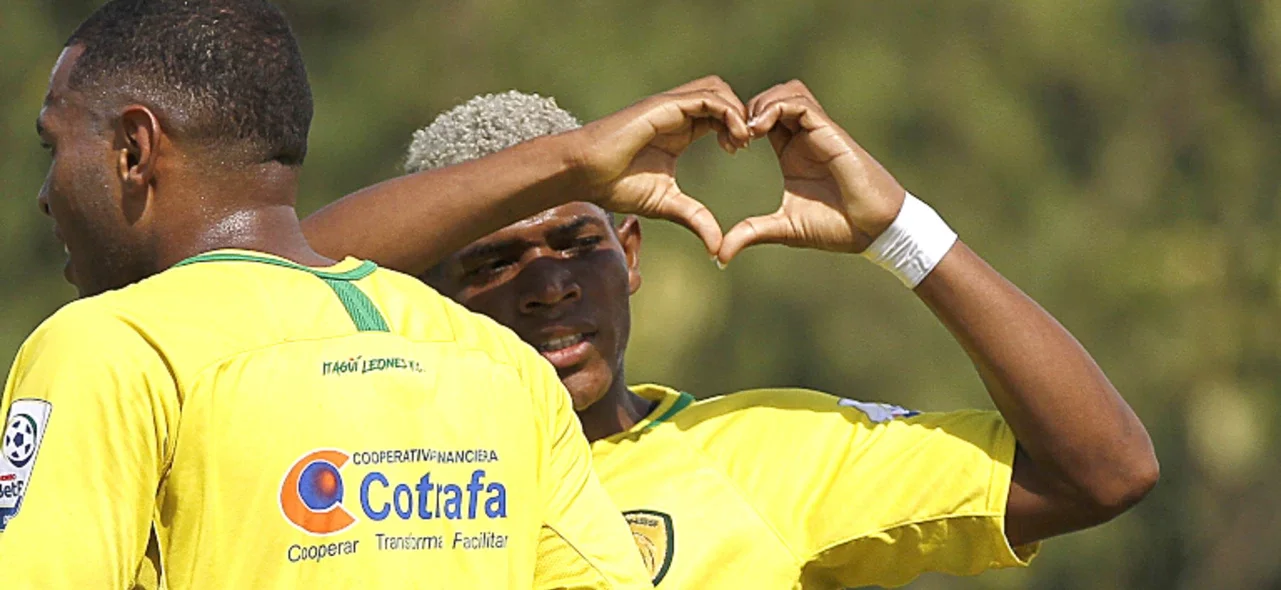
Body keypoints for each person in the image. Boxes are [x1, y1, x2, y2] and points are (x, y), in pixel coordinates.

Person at [0, 1, 755, 588]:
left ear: (134, 149)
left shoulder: (110, 348)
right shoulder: (497, 363)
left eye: (53, 146)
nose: (46, 192)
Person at [304, 82, 1160, 588]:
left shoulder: (765, 456)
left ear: (628, 254)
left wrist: (899, 232)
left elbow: (1102, 474)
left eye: (575, 243)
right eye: (493, 263)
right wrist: (570, 160)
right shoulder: (365, 480)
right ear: (426, 296)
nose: (549, 287)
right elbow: (258, 276)